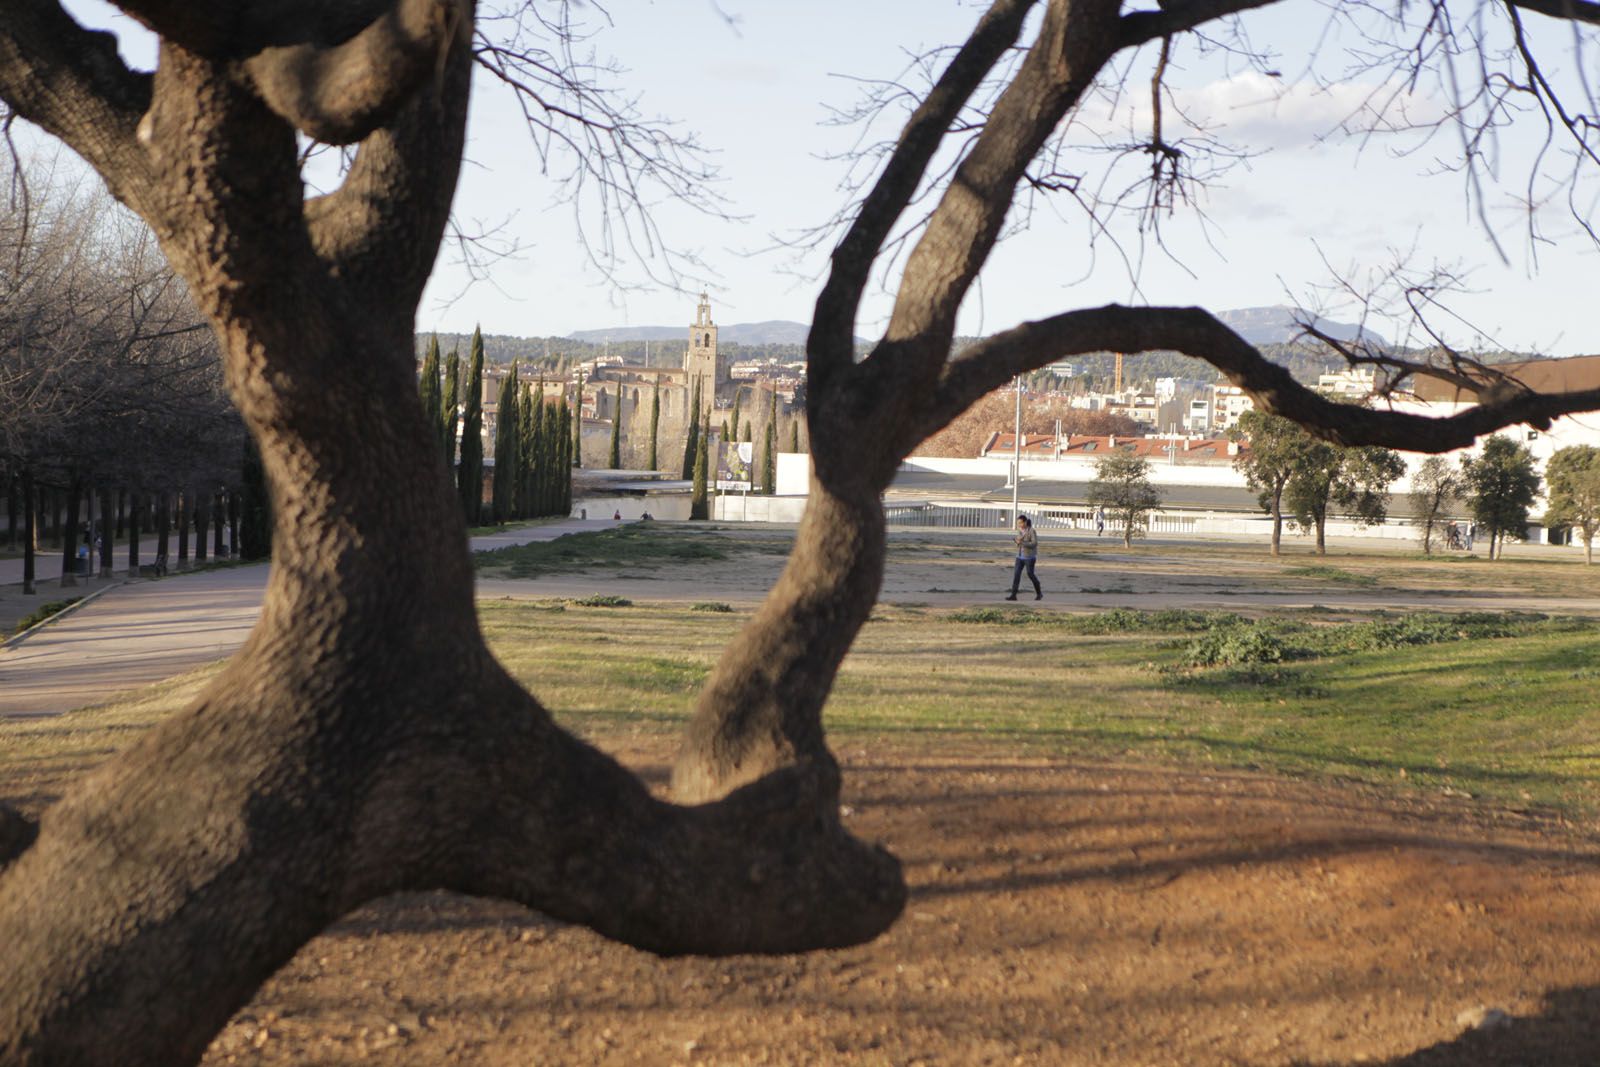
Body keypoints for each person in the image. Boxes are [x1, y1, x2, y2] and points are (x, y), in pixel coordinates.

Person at [1006, 514, 1042, 601]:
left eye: (1020, 523)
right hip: (1019, 557)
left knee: (1030, 574)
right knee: (1016, 575)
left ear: (1025, 522)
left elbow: (1034, 544)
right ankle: (1013, 595)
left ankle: (1039, 593)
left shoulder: (1031, 531)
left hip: (1029, 557)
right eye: (1018, 523)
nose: (1019, 525)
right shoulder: (1020, 531)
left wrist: (1022, 543)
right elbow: (1019, 542)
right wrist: (1016, 541)